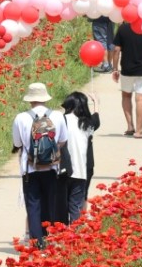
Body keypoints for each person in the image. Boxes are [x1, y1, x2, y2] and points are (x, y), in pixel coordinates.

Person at [12, 83, 68, 249]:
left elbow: (17, 143)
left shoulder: (21, 118)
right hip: (51, 168)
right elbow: (63, 140)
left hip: (29, 169)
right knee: (49, 204)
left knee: (33, 206)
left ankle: (37, 243)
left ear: (30, 99)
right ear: (45, 98)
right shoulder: (57, 116)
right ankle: (46, 238)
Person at [111, 19, 142, 138]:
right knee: (140, 99)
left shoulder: (123, 28)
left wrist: (115, 69)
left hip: (127, 68)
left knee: (126, 96)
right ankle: (139, 131)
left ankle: (130, 127)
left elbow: (116, 49)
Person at [60, 91, 98, 224]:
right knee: (76, 208)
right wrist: (96, 103)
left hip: (63, 170)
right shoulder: (87, 124)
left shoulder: (61, 120)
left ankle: (61, 233)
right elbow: (96, 119)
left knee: (61, 207)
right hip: (81, 172)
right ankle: (75, 233)